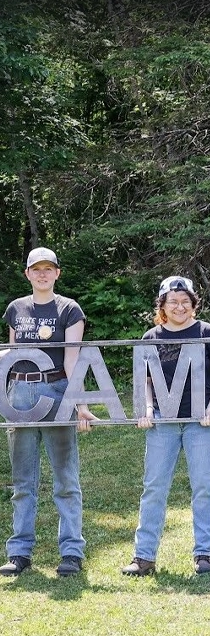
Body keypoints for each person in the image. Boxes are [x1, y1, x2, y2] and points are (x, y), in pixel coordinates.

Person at [0, 247, 97, 578]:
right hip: (21, 394)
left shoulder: (69, 309)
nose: (42, 274)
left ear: (57, 273)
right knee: (23, 480)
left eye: (48, 269)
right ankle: (19, 552)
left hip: (56, 390)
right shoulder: (16, 309)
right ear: (27, 274)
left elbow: (72, 358)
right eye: (35, 269)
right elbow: (10, 356)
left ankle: (71, 551)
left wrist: (80, 403)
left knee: (65, 478)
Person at [122, 276, 210, 577]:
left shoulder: (208, 333)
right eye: (172, 301)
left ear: (193, 303)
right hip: (163, 424)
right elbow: (145, 381)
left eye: (185, 301)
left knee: (204, 486)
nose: (179, 306)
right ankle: (144, 557)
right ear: (162, 305)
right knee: (154, 487)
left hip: (201, 423)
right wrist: (147, 407)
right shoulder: (151, 337)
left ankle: (204, 553)